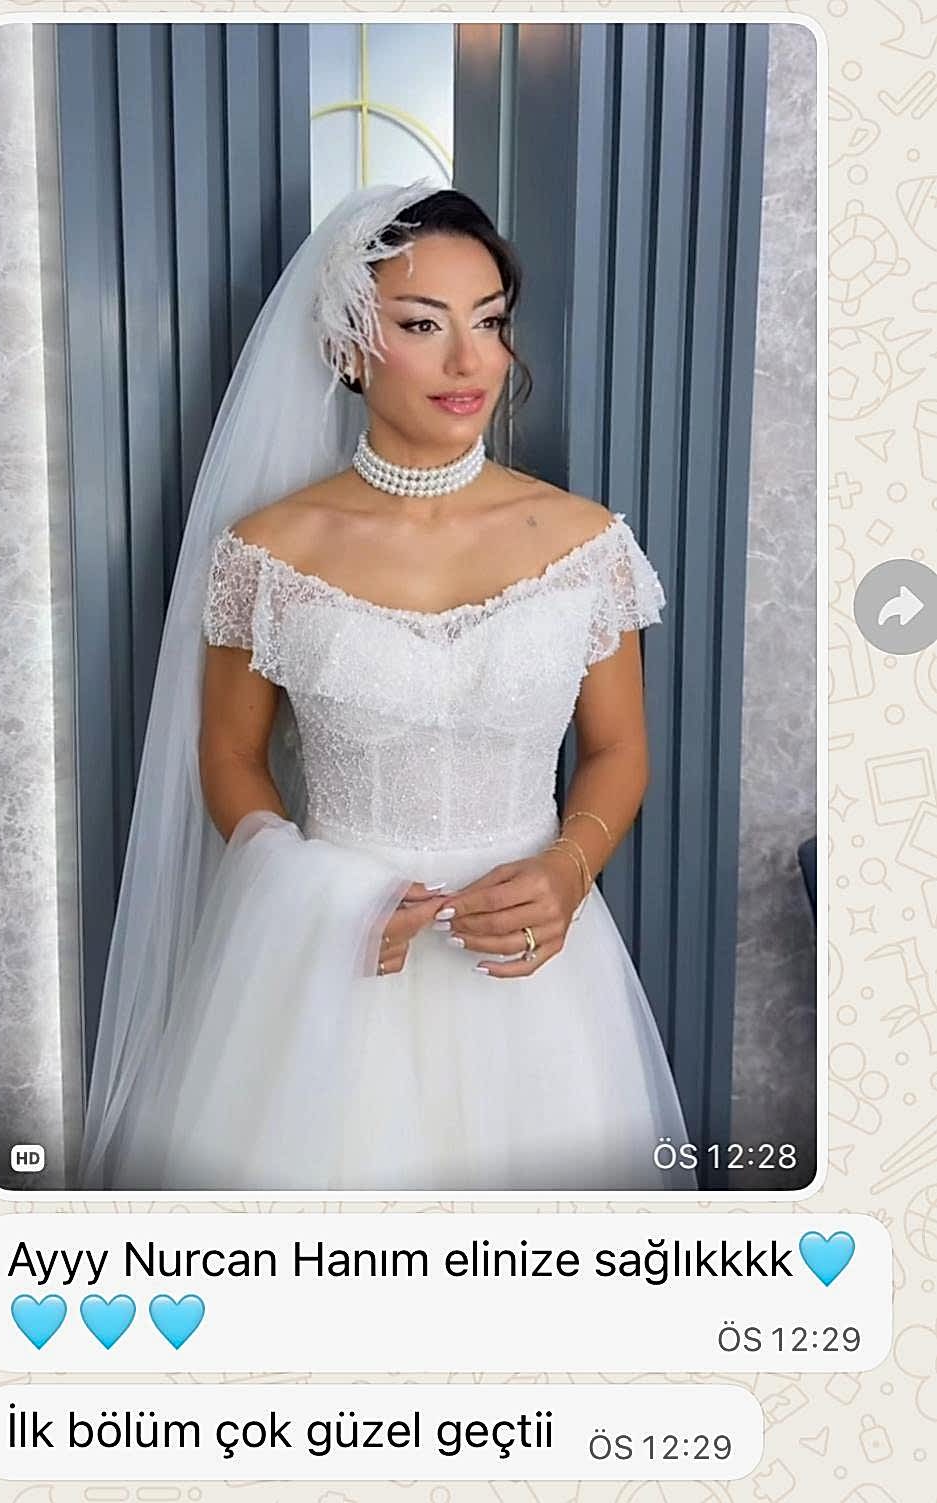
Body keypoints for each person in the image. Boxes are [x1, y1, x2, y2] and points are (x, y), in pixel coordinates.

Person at [76, 178, 694, 1192]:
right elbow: (227, 756)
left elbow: (619, 750)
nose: (469, 360)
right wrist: (322, 898)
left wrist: (568, 870)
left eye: (488, 322)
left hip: (535, 970)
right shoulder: (266, 554)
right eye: (421, 323)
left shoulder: (585, 545)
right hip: (335, 967)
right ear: (347, 348)